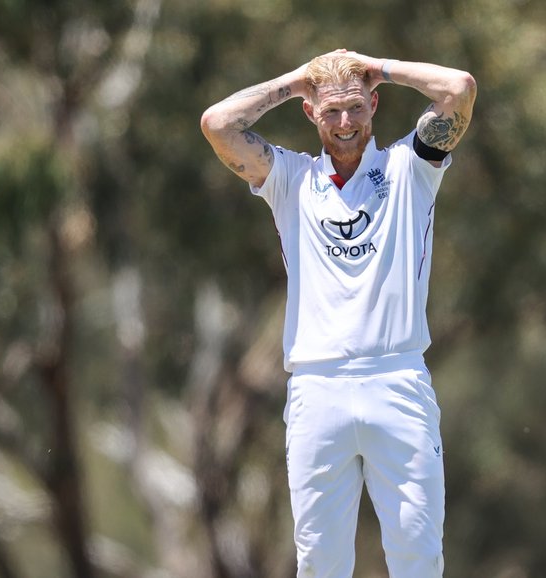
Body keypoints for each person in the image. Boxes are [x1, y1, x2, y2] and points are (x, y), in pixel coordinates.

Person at [201, 49, 476, 578]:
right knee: (320, 563)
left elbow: (459, 89)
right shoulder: (290, 179)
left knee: (418, 558)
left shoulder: (409, 166)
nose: (345, 123)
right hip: (316, 388)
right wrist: (298, 81)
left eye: (355, 107)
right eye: (331, 111)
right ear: (311, 114)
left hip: (397, 381)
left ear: (374, 104)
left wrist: (380, 66)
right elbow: (218, 124)